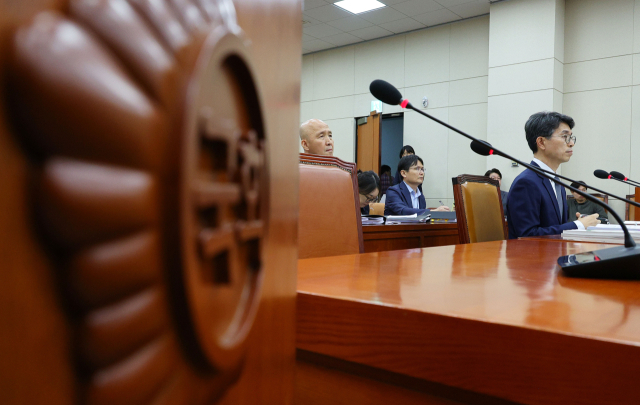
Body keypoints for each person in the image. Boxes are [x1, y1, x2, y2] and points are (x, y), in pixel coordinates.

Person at [507, 111, 600, 238]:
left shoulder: (557, 182)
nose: (571, 143)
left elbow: (555, 227)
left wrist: (579, 226)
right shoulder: (526, 183)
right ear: (541, 142)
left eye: (571, 137)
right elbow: (527, 236)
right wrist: (577, 225)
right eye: (564, 137)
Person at [384, 155, 450, 215]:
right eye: (417, 169)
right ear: (403, 173)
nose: (422, 173)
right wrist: (433, 212)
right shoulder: (393, 192)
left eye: (422, 169)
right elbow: (403, 211)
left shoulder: (421, 196)